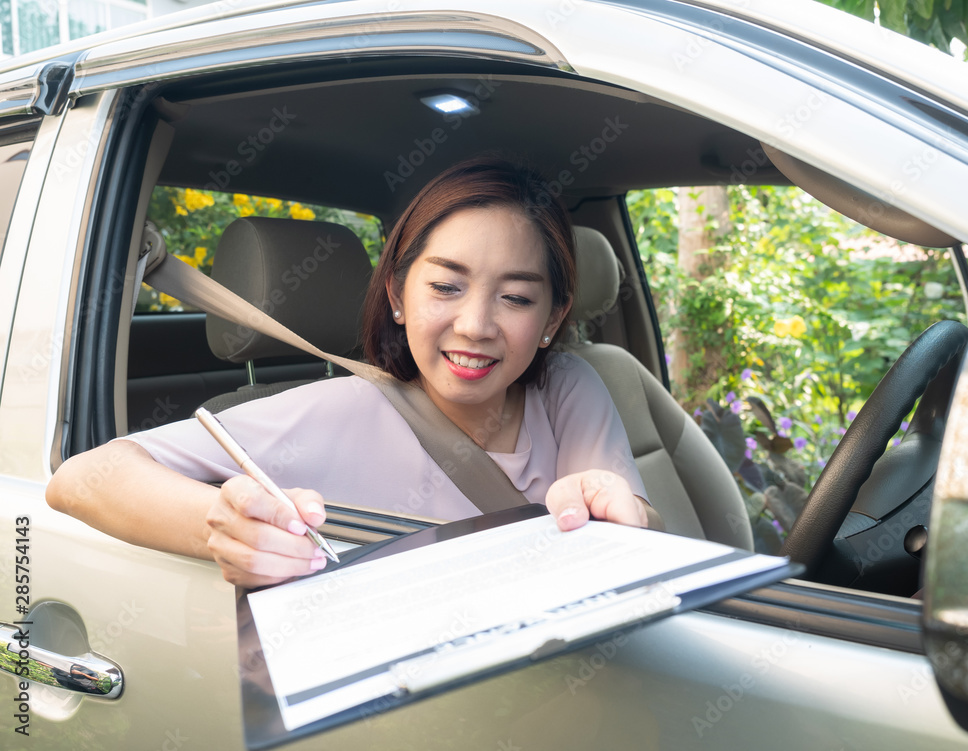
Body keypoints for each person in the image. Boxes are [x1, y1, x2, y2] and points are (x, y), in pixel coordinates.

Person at [47, 156, 661, 588]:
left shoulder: (569, 387)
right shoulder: (339, 409)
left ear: (554, 318)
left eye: (518, 299)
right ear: (397, 294)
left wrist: (627, 516)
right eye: (445, 285)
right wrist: (219, 527)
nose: (476, 325)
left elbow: (627, 511)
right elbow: (82, 478)